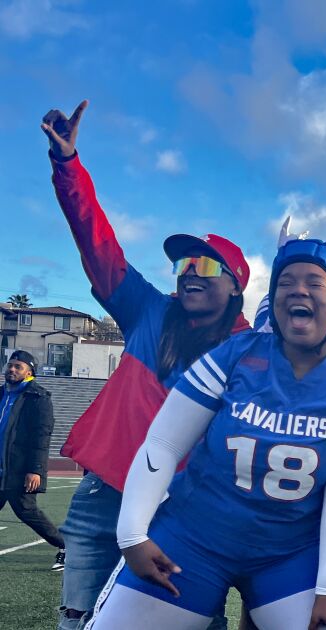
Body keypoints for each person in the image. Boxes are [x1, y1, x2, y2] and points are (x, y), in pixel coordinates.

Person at [87, 239, 326, 629]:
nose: (298, 289)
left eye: (315, 283)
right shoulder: (236, 354)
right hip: (193, 537)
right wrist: (132, 534)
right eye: (286, 282)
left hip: (290, 553)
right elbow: (164, 444)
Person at [41, 100, 251, 630]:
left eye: (205, 264)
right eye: (183, 264)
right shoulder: (147, 309)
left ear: (236, 284)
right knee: (81, 621)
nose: (189, 273)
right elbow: (98, 243)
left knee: (190, 623)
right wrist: (68, 165)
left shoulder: (250, 351)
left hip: (182, 512)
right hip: (104, 495)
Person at [0, 350, 65, 569]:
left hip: (17, 468)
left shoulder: (38, 397)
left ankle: (65, 546)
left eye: (18, 367)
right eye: (11, 365)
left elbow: (41, 435)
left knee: (26, 511)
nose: (12, 369)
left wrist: (35, 469)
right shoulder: (1, 394)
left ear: (29, 372)